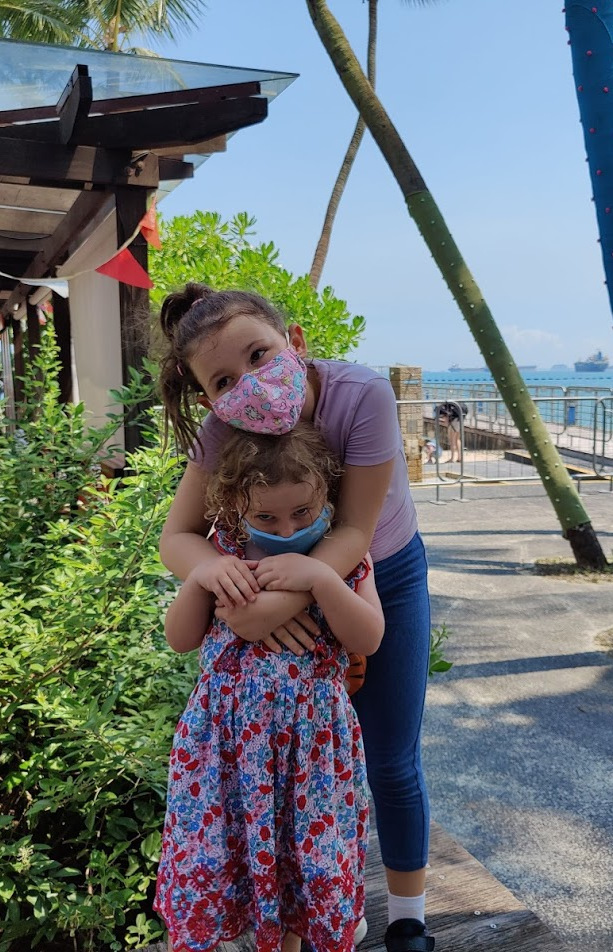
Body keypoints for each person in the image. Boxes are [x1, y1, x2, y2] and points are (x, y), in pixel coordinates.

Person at [157, 284, 437, 952]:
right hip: (264, 585)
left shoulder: (361, 395)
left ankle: (409, 917)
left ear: (296, 342)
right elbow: (178, 537)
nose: (249, 382)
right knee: (291, 782)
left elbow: (354, 533)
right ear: (207, 398)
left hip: (377, 571)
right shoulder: (224, 428)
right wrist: (222, 581)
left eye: (260, 355)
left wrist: (272, 606)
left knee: (390, 757)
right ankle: (311, 911)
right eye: (224, 380)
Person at [154, 424, 383, 952]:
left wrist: (320, 580)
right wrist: (202, 578)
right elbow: (180, 639)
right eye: (266, 518)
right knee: (218, 859)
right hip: (227, 752)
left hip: (313, 753)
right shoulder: (223, 558)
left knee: (303, 864)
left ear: (326, 495)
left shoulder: (343, 562)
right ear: (235, 506)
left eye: (302, 512)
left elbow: (369, 637)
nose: (287, 528)